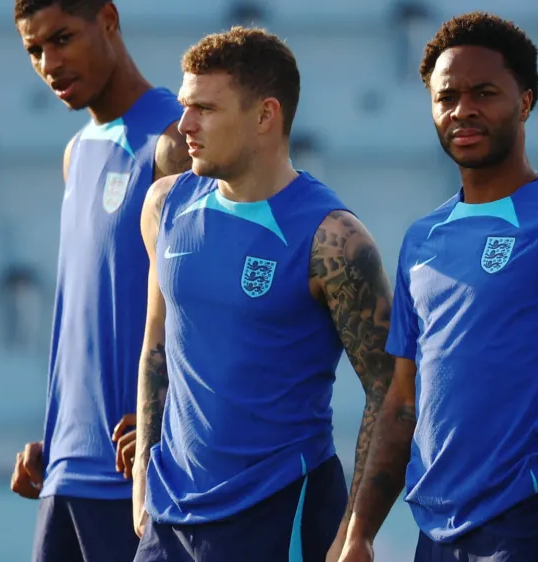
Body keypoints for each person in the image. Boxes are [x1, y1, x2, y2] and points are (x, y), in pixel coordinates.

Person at [336, 11, 538, 562]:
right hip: (436, 529)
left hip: (529, 518)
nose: (462, 110)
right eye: (446, 97)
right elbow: (403, 403)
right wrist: (360, 531)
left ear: (525, 101)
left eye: (484, 93)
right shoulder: (422, 239)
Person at [129, 26, 396, 562]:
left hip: (281, 514)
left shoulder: (334, 240)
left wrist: (357, 527)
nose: (184, 126)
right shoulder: (165, 206)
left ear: (264, 115)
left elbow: (389, 392)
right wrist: (142, 472)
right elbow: (156, 340)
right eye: (185, 106)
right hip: (170, 517)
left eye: (204, 109)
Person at [8, 1, 190, 561]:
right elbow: (86, 308)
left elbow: (199, 303)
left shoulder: (173, 142)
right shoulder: (76, 153)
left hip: (133, 475)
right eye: (35, 50)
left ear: (108, 19)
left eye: (62, 38)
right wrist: (57, 432)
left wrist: (168, 415)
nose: (49, 63)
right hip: (64, 470)